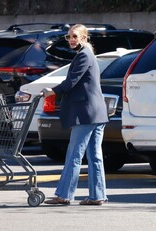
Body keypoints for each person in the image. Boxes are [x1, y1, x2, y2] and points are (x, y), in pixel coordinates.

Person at [41, 24, 108, 206]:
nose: (71, 39)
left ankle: (64, 195)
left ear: (84, 38)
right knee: (94, 155)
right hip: (96, 113)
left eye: (75, 36)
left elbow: (71, 82)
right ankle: (97, 196)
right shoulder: (86, 55)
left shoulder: (84, 55)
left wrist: (52, 91)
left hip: (86, 113)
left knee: (74, 154)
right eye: (69, 36)